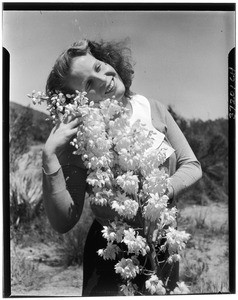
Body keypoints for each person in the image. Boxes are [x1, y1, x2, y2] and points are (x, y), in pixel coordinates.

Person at [42, 39, 202, 296]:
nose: (103, 79)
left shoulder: (153, 109)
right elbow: (64, 220)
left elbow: (191, 166)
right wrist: (49, 156)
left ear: (107, 60)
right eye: (88, 84)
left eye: (98, 66)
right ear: (79, 100)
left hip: (162, 241)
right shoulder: (82, 137)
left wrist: (159, 193)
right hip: (111, 251)